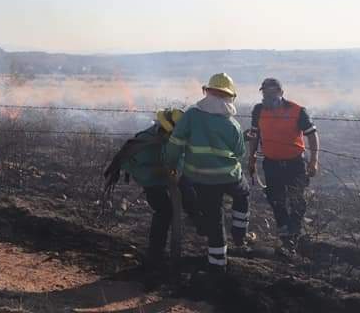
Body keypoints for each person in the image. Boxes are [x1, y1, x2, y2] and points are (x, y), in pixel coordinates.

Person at [104, 108, 199, 287]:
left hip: (173, 173)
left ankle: (200, 225)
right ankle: (155, 258)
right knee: (164, 211)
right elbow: (135, 169)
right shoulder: (145, 144)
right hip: (152, 180)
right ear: (164, 130)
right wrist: (158, 172)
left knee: (190, 196)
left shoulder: (177, 139)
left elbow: (182, 158)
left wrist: (176, 173)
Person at [164, 73, 250, 272]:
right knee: (243, 193)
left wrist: (171, 164)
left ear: (207, 91)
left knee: (214, 220)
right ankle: (239, 231)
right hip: (229, 176)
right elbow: (239, 153)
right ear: (229, 96)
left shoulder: (192, 115)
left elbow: (176, 142)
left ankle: (217, 266)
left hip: (200, 178)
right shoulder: (232, 124)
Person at [247, 77, 319, 257]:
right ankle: (285, 230)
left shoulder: (297, 110)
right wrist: (252, 157)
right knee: (274, 197)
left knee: (297, 199)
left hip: (295, 163)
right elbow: (255, 134)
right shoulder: (258, 110)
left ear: (281, 92)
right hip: (271, 163)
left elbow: (311, 135)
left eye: (272, 93)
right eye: (265, 93)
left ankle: (293, 233)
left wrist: (313, 160)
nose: (268, 96)